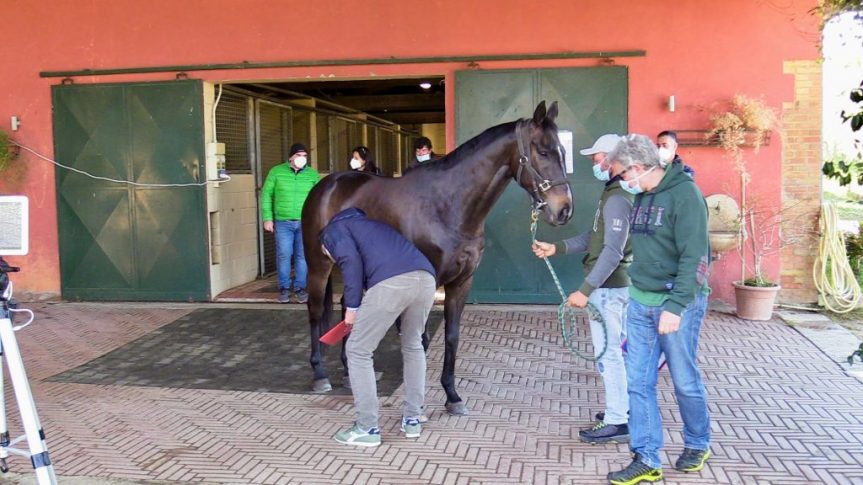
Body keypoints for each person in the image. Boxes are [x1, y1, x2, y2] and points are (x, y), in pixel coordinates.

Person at [605, 134, 712, 485]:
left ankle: (697, 442)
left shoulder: (686, 195)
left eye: (621, 174)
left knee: (684, 379)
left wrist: (676, 306)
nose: (621, 180)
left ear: (637, 168)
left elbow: (696, 259)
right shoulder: (643, 196)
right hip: (641, 301)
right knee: (638, 381)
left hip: (675, 304)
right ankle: (646, 457)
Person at [532, 133, 633, 445]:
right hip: (615, 287)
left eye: (597, 158)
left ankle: (618, 420)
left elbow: (613, 251)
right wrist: (556, 248)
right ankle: (623, 409)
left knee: (609, 355)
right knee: (618, 353)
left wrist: (586, 290)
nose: (594, 164)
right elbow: (595, 240)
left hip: (608, 289)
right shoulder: (613, 193)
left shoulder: (618, 198)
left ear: (612, 159)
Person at [321, 208, 437, 447]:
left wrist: (351, 308)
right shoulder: (373, 226)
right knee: (413, 345)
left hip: (391, 283)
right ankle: (413, 418)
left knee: (358, 350)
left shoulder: (333, 231)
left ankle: (367, 428)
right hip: (425, 278)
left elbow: (350, 262)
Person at [260, 143, 320, 304]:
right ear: (290, 157)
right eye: (299, 155)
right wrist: (267, 218)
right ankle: (284, 288)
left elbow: (320, 198)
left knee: (302, 256)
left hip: (305, 222)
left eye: (305, 156)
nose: (302, 158)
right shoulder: (276, 172)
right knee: (284, 255)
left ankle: (300, 288)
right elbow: (266, 195)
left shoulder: (312, 175)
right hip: (283, 222)